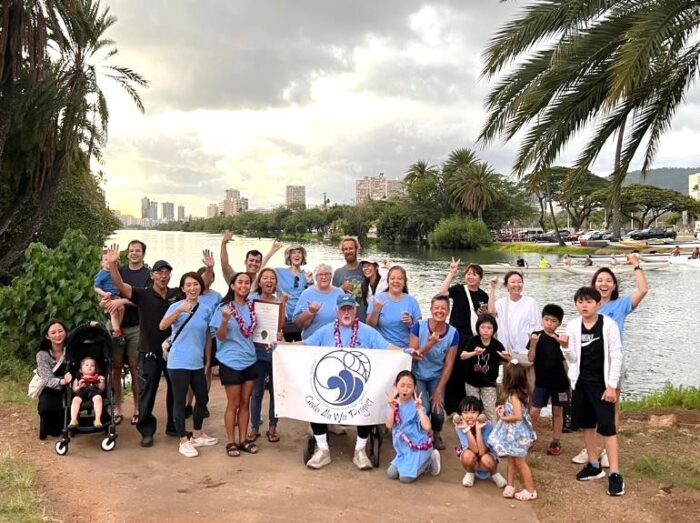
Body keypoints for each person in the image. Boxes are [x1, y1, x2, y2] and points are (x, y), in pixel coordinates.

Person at [302, 294, 404, 470]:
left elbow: (387, 347)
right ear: (337, 311)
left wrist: (406, 352)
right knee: (314, 399)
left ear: (356, 311)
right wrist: (282, 345)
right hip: (330, 385)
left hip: (359, 386)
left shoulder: (368, 331)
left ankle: (360, 450)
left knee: (370, 401)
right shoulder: (326, 330)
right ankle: (323, 450)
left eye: (350, 308)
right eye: (343, 309)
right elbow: (304, 345)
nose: (347, 312)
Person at [572, 253, 648, 467]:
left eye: (608, 281)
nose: (603, 284)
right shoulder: (587, 306)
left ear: (614, 285)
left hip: (612, 363)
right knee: (588, 409)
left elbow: (643, 290)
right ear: (593, 285)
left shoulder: (621, 304)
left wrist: (636, 266)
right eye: (599, 281)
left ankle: (607, 451)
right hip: (588, 365)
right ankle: (590, 450)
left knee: (611, 407)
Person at [106, 246, 180, 447]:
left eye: (167, 273)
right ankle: (147, 430)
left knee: (175, 390)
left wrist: (209, 268)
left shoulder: (176, 294)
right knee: (148, 391)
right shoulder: (143, 294)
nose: (163, 276)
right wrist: (113, 264)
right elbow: (121, 286)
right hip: (149, 352)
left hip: (172, 353)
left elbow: (199, 286)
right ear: (152, 275)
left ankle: (173, 425)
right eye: (159, 273)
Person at [562, 287, 624, 497]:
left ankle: (615, 473)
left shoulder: (608, 325)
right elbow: (572, 359)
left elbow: (616, 356)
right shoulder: (572, 325)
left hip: (602, 384)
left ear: (598, 304)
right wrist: (564, 347)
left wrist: (612, 386)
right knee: (587, 425)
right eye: (580, 301)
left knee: (607, 428)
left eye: (589, 301)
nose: (584, 305)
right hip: (580, 383)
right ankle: (594, 464)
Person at [160, 271, 218, 458]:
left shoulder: (206, 309)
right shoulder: (176, 306)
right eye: (189, 285)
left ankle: (198, 433)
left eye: (196, 284)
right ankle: (183, 440)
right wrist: (178, 311)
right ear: (183, 288)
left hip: (196, 362)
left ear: (201, 287)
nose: (193, 288)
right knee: (179, 401)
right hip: (178, 362)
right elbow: (162, 326)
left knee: (202, 399)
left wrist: (208, 360)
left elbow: (208, 336)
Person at [209, 272, 260, 458]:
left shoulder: (252, 307)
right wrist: (225, 320)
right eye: (240, 282)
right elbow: (219, 337)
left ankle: (244, 439)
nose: (244, 286)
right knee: (233, 404)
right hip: (230, 361)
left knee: (246, 403)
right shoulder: (223, 308)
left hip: (250, 359)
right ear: (232, 286)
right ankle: (231, 442)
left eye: (247, 282)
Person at [100, 239, 150, 426]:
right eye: (131, 250)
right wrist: (106, 302)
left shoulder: (148, 275)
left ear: (143, 254)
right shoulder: (118, 271)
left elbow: (146, 300)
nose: (134, 253)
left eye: (138, 250)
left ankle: (138, 407)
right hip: (115, 325)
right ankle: (118, 407)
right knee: (115, 367)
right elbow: (106, 292)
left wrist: (123, 302)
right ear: (127, 253)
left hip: (137, 326)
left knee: (136, 368)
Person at [438, 259, 489, 414]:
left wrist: (484, 314)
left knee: (467, 372)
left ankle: (465, 406)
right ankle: (449, 406)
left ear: (480, 278)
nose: (471, 277)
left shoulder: (483, 296)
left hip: (472, 336)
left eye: (474, 275)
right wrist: (452, 273)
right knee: (452, 368)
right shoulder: (459, 289)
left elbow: (486, 319)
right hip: (456, 334)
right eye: (468, 274)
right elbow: (441, 293)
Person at [408, 295, 459, 451]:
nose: (440, 311)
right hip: (418, 374)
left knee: (438, 412)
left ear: (448, 311)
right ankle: (421, 435)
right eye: (436, 308)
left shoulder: (453, 333)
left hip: (437, 376)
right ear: (431, 310)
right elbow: (413, 358)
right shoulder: (419, 327)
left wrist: (439, 390)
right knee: (424, 408)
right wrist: (430, 344)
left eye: (443, 308)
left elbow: (449, 365)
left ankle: (436, 435)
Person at [487, 361, 537, 501]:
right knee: (511, 460)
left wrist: (503, 417)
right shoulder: (518, 394)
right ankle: (510, 485)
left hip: (518, 436)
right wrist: (503, 410)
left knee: (520, 463)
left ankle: (530, 490)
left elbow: (518, 416)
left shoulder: (514, 396)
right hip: (513, 435)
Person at [248, 267, 287, 444]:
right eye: (265, 278)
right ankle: (254, 426)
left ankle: (273, 426)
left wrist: (284, 304)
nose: (269, 281)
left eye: (272, 278)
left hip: (273, 353)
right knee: (256, 392)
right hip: (255, 352)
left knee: (274, 391)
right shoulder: (251, 300)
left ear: (275, 282)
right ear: (260, 281)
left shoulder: (278, 301)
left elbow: (280, 326)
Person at [527, 304, 569, 456]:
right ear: (542, 319)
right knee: (535, 410)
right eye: (547, 320)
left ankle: (556, 440)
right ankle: (528, 436)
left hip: (560, 383)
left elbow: (566, 362)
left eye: (553, 321)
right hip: (542, 382)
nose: (549, 324)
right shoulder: (536, 336)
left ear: (559, 323)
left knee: (557, 411)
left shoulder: (561, 340)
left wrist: (571, 380)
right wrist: (533, 344)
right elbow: (531, 358)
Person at [385, 370, 441, 483]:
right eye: (402, 385)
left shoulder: (417, 405)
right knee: (391, 474)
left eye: (409, 386)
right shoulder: (393, 404)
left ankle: (429, 458)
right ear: (396, 386)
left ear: (415, 388)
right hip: (403, 448)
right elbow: (389, 425)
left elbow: (427, 427)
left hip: (418, 445)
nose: (405, 389)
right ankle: (411, 464)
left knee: (404, 478)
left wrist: (419, 409)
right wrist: (392, 409)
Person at [488, 271, 541, 371]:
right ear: (507, 285)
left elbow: (537, 328)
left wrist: (533, 348)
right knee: (509, 382)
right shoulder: (501, 303)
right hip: (507, 353)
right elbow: (491, 311)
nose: (516, 285)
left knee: (527, 383)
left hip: (525, 354)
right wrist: (493, 288)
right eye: (513, 282)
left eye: (519, 282)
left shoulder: (530, 302)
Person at [461, 314, 508, 422]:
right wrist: (474, 353)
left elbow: (508, 360)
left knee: (490, 410)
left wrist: (507, 356)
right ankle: (473, 432)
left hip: (489, 383)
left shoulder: (497, 344)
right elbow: (462, 356)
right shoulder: (473, 341)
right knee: (472, 409)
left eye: (489, 328)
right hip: (471, 381)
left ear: (494, 329)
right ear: (478, 328)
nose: (486, 330)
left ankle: (492, 435)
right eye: (482, 327)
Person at [453, 396, 507, 489]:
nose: (469, 416)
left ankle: (495, 474)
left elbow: (481, 452)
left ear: (479, 414)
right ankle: (470, 473)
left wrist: (478, 430)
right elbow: (473, 450)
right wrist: (467, 429)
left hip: (486, 460)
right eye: (465, 412)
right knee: (467, 455)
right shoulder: (459, 427)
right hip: (472, 459)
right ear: (460, 415)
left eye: (473, 412)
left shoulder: (488, 426)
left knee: (486, 458)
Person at [264, 241, 313, 342]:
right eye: (293, 252)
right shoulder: (279, 272)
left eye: (299, 252)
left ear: (303, 257)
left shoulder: (307, 275)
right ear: (289, 256)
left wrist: (310, 283)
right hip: (283, 320)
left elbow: (311, 298)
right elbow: (260, 269)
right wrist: (272, 251)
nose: (296, 255)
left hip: (299, 322)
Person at [366, 265, 422, 348]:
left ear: (404, 282)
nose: (396, 281)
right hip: (382, 348)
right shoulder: (377, 299)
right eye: (392, 278)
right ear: (388, 281)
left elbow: (420, 331)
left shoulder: (412, 302)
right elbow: (369, 326)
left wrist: (411, 323)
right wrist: (376, 311)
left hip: (403, 350)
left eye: (399, 279)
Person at [36, 320, 73, 439]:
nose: (57, 335)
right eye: (53, 332)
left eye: (60, 331)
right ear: (47, 336)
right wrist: (62, 382)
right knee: (45, 408)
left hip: (72, 386)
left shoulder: (72, 350)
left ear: (66, 333)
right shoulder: (42, 355)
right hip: (52, 387)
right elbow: (47, 379)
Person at [293, 263, 345, 340]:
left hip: (335, 341)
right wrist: (310, 313)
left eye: (327, 274)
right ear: (315, 277)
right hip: (312, 341)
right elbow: (298, 325)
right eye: (320, 274)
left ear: (331, 276)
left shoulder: (339, 292)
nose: (324, 277)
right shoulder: (307, 293)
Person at [332, 236, 368, 321]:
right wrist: (341, 288)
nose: (348, 251)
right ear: (343, 251)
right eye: (345, 249)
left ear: (357, 249)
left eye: (351, 248)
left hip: (364, 319)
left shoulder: (366, 270)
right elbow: (332, 298)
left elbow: (378, 288)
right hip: (345, 320)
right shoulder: (338, 273)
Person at [94, 253, 126, 339]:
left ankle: (117, 326)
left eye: (110, 260)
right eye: (106, 260)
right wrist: (104, 294)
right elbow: (96, 288)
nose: (108, 262)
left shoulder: (115, 272)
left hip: (115, 295)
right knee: (114, 312)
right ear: (102, 263)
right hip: (105, 295)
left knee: (122, 308)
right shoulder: (101, 274)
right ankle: (116, 330)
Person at [68, 357, 106, 429]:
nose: (89, 367)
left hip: (94, 392)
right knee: (75, 400)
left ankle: (97, 419)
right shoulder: (78, 378)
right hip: (82, 393)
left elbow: (101, 389)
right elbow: (74, 390)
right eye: (86, 365)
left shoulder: (97, 377)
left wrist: (102, 382)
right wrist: (79, 387)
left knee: (98, 398)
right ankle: (73, 419)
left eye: (92, 365)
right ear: (80, 370)